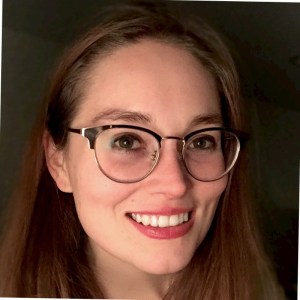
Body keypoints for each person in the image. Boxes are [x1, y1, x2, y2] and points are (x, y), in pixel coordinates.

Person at [0, 2, 284, 299]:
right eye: (126, 141)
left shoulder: (262, 290)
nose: (175, 184)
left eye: (201, 141)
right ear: (58, 161)